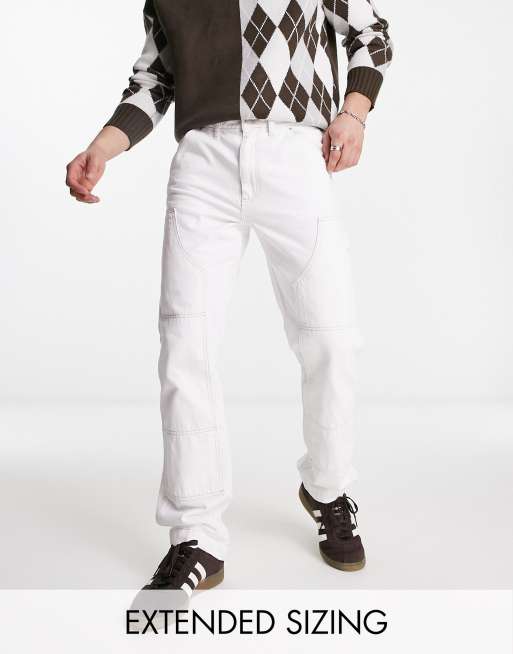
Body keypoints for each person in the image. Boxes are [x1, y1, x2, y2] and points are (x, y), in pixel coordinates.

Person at [66, 0, 393, 601]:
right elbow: (155, 78)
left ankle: (327, 488)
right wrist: (102, 148)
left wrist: (354, 113)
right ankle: (196, 534)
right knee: (185, 344)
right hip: (203, 165)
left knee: (331, 339)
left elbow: (370, 31)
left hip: (297, 153)